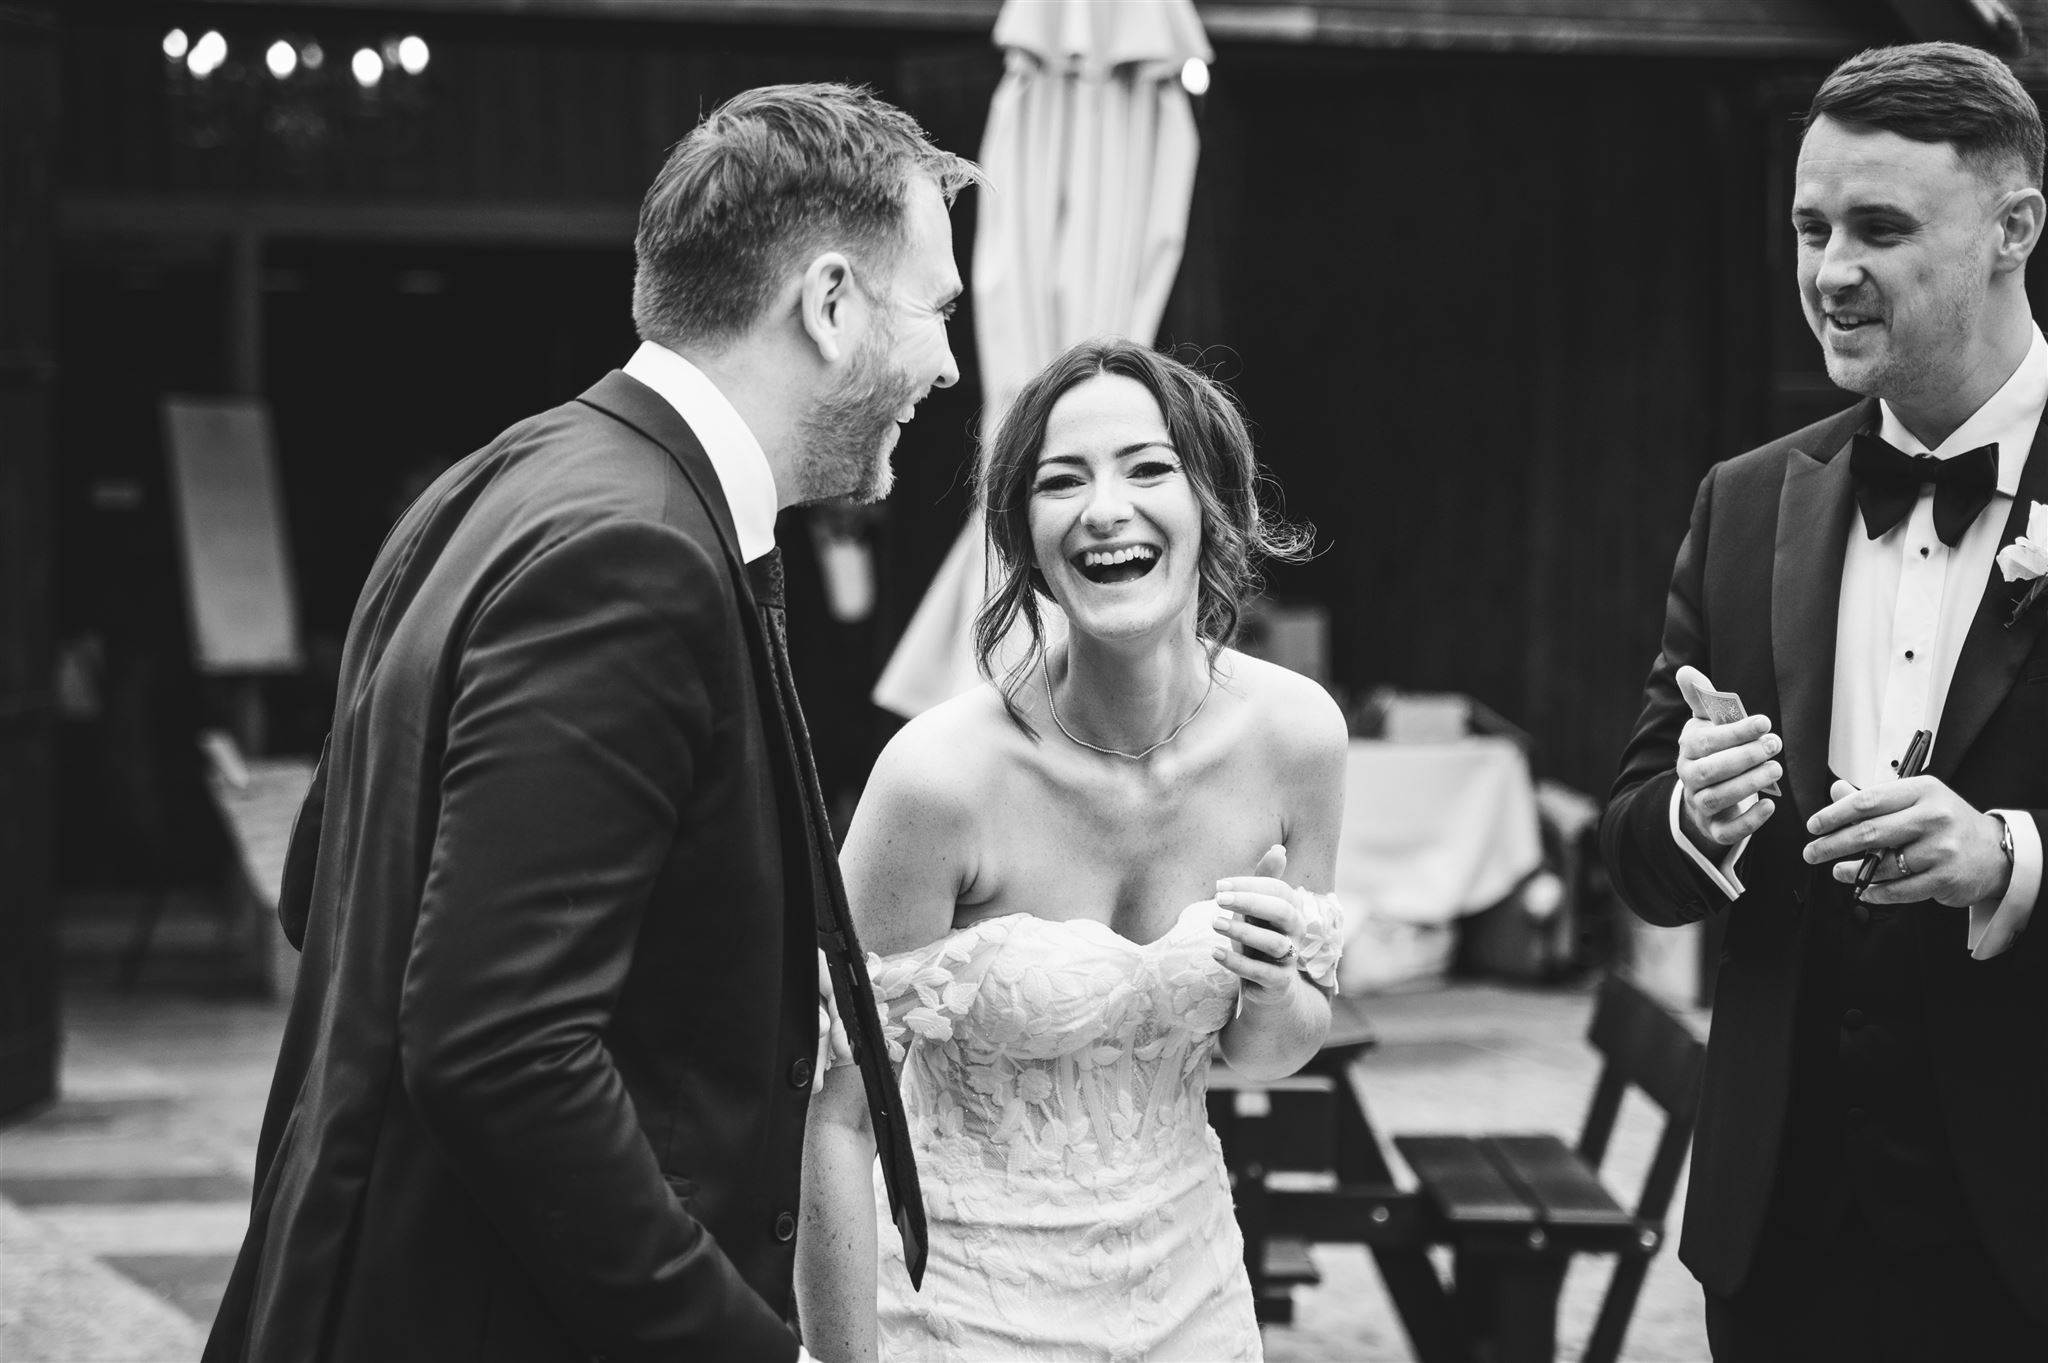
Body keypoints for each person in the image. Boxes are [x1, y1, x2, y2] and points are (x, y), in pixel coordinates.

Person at [204, 83, 976, 1363]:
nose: (947, 364)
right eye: (935, 309)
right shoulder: (635, 555)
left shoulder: (500, 477)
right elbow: (498, 1051)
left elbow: (321, 889)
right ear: (831, 304)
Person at [1601, 42, 2047, 1362]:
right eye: (1810, 228)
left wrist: (2007, 857)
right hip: (1782, 1238)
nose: (1829, 270)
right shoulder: (1746, 503)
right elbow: (1633, 845)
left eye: (1880, 228)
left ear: (2014, 227)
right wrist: (1692, 814)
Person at [796, 339, 1349, 1361]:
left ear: (1211, 503)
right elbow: (833, 1118)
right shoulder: (938, 780)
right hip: (964, 1312)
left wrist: (1273, 987)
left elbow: (1273, 1047)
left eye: (1147, 468)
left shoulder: (1297, 739)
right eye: (1062, 481)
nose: (1105, 509)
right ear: (1024, 536)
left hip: (1192, 1300)